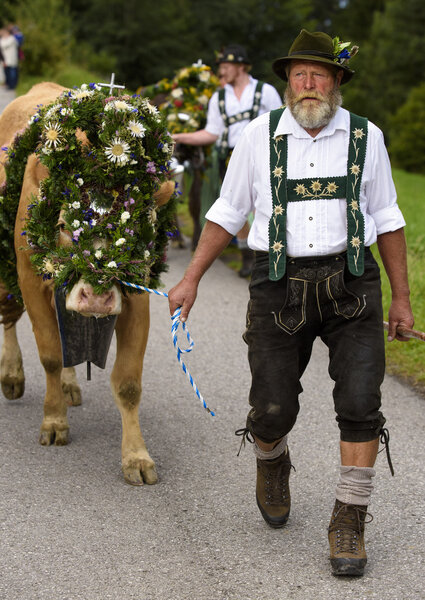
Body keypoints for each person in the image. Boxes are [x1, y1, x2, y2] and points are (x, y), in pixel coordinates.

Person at [168, 29, 414, 577]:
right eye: (299, 74)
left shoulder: (366, 137)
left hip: (352, 284)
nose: (307, 84)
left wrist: (402, 299)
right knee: (273, 407)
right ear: (287, 83)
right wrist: (191, 280)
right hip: (277, 284)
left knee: (359, 403)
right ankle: (272, 461)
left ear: (337, 82)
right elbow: (227, 211)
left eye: (318, 74)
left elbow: (390, 220)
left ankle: (349, 518)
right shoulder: (258, 137)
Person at [173, 44, 282, 277]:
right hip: (232, 157)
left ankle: (269, 256)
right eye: (221, 66)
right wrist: (178, 136)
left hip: (266, 154)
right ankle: (246, 258)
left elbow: (281, 125)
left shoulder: (267, 91)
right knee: (238, 208)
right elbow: (211, 133)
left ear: (241, 66)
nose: (221, 72)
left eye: (226, 66)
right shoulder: (219, 97)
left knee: (266, 204)